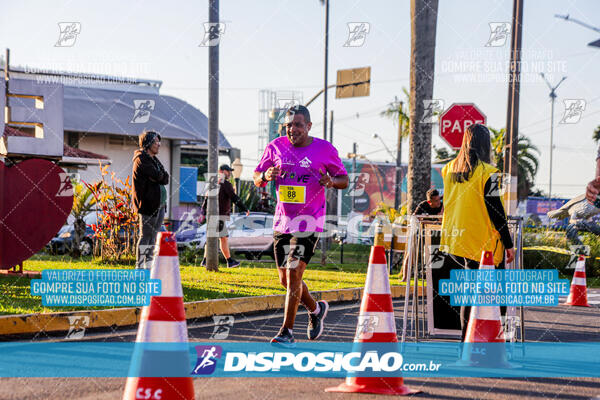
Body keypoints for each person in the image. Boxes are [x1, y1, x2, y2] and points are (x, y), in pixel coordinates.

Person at [253, 105, 349, 347]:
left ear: (308, 126)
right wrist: (265, 176)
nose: (292, 129)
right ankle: (315, 309)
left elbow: (344, 180)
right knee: (285, 280)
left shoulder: (324, 149)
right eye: (288, 125)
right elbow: (256, 176)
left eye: (297, 124)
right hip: (283, 221)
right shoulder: (275, 147)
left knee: (295, 272)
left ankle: (287, 331)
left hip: (310, 221)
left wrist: (330, 181)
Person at [438, 124, 515, 339]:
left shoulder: (450, 169)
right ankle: (488, 340)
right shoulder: (489, 173)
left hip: (457, 241)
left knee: (471, 293)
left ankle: (467, 340)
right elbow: (496, 212)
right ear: (485, 145)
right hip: (483, 244)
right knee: (496, 296)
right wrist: (509, 244)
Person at [132, 130, 169, 269]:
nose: (159, 144)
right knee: (146, 236)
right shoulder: (141, 158)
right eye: (156, 142)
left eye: (159, 141)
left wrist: (159, 176)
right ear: (147, 143)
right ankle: (140, 267)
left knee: (153, 237)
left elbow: (165, 178)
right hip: (148, 204)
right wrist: (158, 176)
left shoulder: (154, 160)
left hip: (160, 205)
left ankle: (149, 267)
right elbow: (156, 175)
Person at [200, 164, 250, 268]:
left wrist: (203, 212)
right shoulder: (226, 184)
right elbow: (234, 198)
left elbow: (206, 199)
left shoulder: (212, 182)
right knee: (223, 238)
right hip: (219, 215)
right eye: (228, 171)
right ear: (221, 171)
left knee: (212, 238)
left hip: (212, 215)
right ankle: (229, 261)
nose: (230, 173)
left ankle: (205, 261)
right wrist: (244, 208)